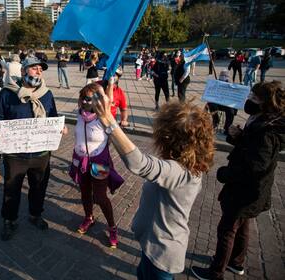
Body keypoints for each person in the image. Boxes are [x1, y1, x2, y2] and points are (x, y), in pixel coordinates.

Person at [92, 91, 214, 279]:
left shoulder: (180, 171)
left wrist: (108, 121)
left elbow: (138, 163)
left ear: (168, 137)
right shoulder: (183, 163)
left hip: (163, 255)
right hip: (151, 247)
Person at [191, 81, 285, 280]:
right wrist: (239, 136)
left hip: (246, 190)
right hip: (249, 191)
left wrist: (226, 174)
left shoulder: (268, 131)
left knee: (226, 230)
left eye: (254, 98)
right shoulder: (261, 120)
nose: (249, 100)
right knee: (241, 225)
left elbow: (255, 167)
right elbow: (251, 148)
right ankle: (236, 262)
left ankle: (216, 273)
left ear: (266, 102)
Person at [0, 57, 62, 241]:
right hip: (15, 154)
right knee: (11, 188)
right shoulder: (7, 93)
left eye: (40, 69)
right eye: (34, 68)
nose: (38, 72)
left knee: (39, 186)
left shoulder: (47, 94)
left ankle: (35, 214)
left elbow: (52, 115)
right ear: (23, 72)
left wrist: (60, 126)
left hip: (41, 153)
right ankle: (9, 219)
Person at [69, 83, 124, 248]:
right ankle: (89, 217)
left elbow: (118, 136)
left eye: (90, 98)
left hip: (99, 162)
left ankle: (112, 227)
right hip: (80, 161)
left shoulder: (104, 118)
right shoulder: (79, 115)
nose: (85, 102)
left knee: (100, 197)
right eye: (83, 98)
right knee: (85, 192)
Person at [206, 69, 237, 135]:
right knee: (211, 104)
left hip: (226, 104)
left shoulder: (231, 84)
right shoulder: (216, 82)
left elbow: (234, 97)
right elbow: (210, 94)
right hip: (217, 103)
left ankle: (227, 127)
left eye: (225, 75)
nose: (223, 77)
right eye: (222, 75)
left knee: (231, 111)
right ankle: (216, 120)